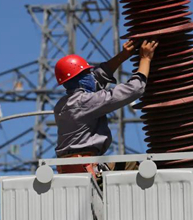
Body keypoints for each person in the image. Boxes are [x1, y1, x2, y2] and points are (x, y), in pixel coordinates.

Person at [53, 39, 158, 176]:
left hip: (70, 168)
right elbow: (134, 89)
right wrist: (145, 59)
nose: (91, 76)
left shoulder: (63, 104)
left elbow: (98, 77)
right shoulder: (85, 102)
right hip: (86, 168)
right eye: (87, 73)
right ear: (80, 79)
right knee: (133, 167)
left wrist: (123, 55)